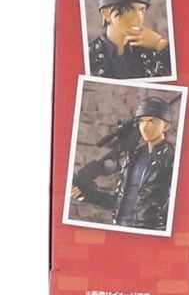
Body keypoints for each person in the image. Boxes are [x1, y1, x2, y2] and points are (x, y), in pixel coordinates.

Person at [71, 96, 176, 231]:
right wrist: (86, 195)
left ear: (166, 126)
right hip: (121, 226)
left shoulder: (170, 158)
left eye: (152, 121)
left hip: (149, 231)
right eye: (142, 121)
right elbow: (118, 201)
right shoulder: (134, 156)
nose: (145, 126)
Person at [88, 0, 170, 79]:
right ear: (106, 13)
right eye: (127, 9)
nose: (138, 18)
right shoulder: (89, 55)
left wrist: (162, 45)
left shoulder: (151, 52)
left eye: (142, 9)